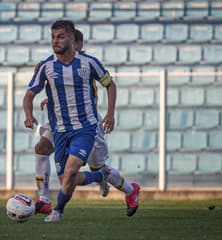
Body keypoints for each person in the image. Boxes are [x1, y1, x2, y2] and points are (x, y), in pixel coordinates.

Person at [24, 20, 139, 222]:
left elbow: (99, 87)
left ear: (76, 43)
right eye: (54, 37)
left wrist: (110, 113)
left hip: (88, 126)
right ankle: (44, 199)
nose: (57, 42)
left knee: (96, 168)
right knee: (42, 148)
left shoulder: (87, 64)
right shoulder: (48, 65)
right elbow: (52, 88)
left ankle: (129, 189)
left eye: (63, 38)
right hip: (59, 124)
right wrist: (48, 98)